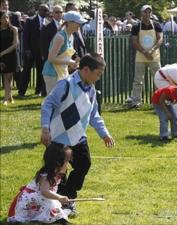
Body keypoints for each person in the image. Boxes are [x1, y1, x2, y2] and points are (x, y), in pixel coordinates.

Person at [41, 53, 115, 214]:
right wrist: (45, 128)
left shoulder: (91, 89)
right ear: (87, 70)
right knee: (58, 171)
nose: (99, 78)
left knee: (84, 164)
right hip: (59, 138)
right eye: (98, 74)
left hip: (79, 137)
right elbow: (47, 105)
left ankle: (68, 195)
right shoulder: (66, 84)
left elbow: (94, 114)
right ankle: (59, 202)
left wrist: (104, 133)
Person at [8, 143, 72, 224]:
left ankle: (54, 217)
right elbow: (44, 191)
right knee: (52, 206)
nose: (68, 165)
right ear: (57, 163)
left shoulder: (55, 174)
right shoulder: (46, 176)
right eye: (67, 161)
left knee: (53, 206)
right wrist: (59, 197)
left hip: (41, 198)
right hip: (32, 200)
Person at [126, 5, 162, 108]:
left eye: (149, 12)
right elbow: (134, 41)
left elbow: (160, 39)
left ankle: (159, 101)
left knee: (158, 79)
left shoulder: (157, 25)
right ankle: (136, 102)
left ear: (151, 13)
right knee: (138, 80)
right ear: (141, 13)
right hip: (140, 57)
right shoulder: (136, 26)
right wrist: (145, 52)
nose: (147, 14)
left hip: (154, 56)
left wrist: (151, 50)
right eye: (145, 12)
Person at [42, 11, 86, 93]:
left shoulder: (71, 36)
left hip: (62, 71)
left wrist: (72, 64)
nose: (80, 25)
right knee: (54, 102)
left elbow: (64, 58)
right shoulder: (60, 37)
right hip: (52, 73)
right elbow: (51, 59)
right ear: (70, 23)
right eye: (78, 23)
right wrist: (70, 62)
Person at [21, 4, 50, 97]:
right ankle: (21, 91)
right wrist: (27, 49)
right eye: (44, 10)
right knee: (26, 70)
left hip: (42, 51)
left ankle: (38, 91)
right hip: (31, 50)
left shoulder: (48, 22)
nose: (46, 12)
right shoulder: (30, 20)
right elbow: (25, 36)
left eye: (47, 10)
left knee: (41, 71)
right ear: (39, 10)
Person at [0, 10, 18, 105]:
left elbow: (15, 45)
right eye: (3, 17)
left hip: (11, 55)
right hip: (1, 56)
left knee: (9, 77)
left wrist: (3, 53)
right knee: (5, 76)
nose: (6, 19)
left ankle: (5, 99)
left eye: (7, 17)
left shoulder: (14, 29)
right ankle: (10, 97)